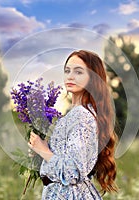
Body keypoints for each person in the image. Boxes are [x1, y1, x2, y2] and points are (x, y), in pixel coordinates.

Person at [28, 50, 118, 199]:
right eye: (67, 71)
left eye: (78, 72)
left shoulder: (81, 116)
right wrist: (41, 151)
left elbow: (73, 170)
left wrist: (43, 150)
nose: (70, 76)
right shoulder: (77, 112)